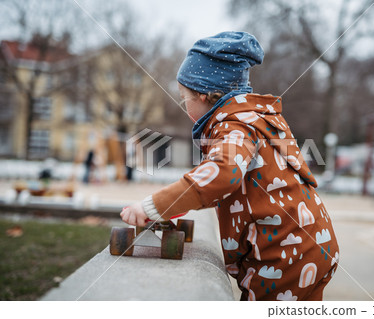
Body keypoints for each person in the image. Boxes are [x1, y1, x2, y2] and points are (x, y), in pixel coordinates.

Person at [120, 31, 339, 301]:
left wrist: (153, 206)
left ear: (204, 95)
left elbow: (221, 175)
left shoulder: (235, 126)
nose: (183, 105)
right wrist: (179, 203)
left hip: (284, 257)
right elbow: (236, 186)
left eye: (183, 98)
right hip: (310, 245)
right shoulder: (256, 117)